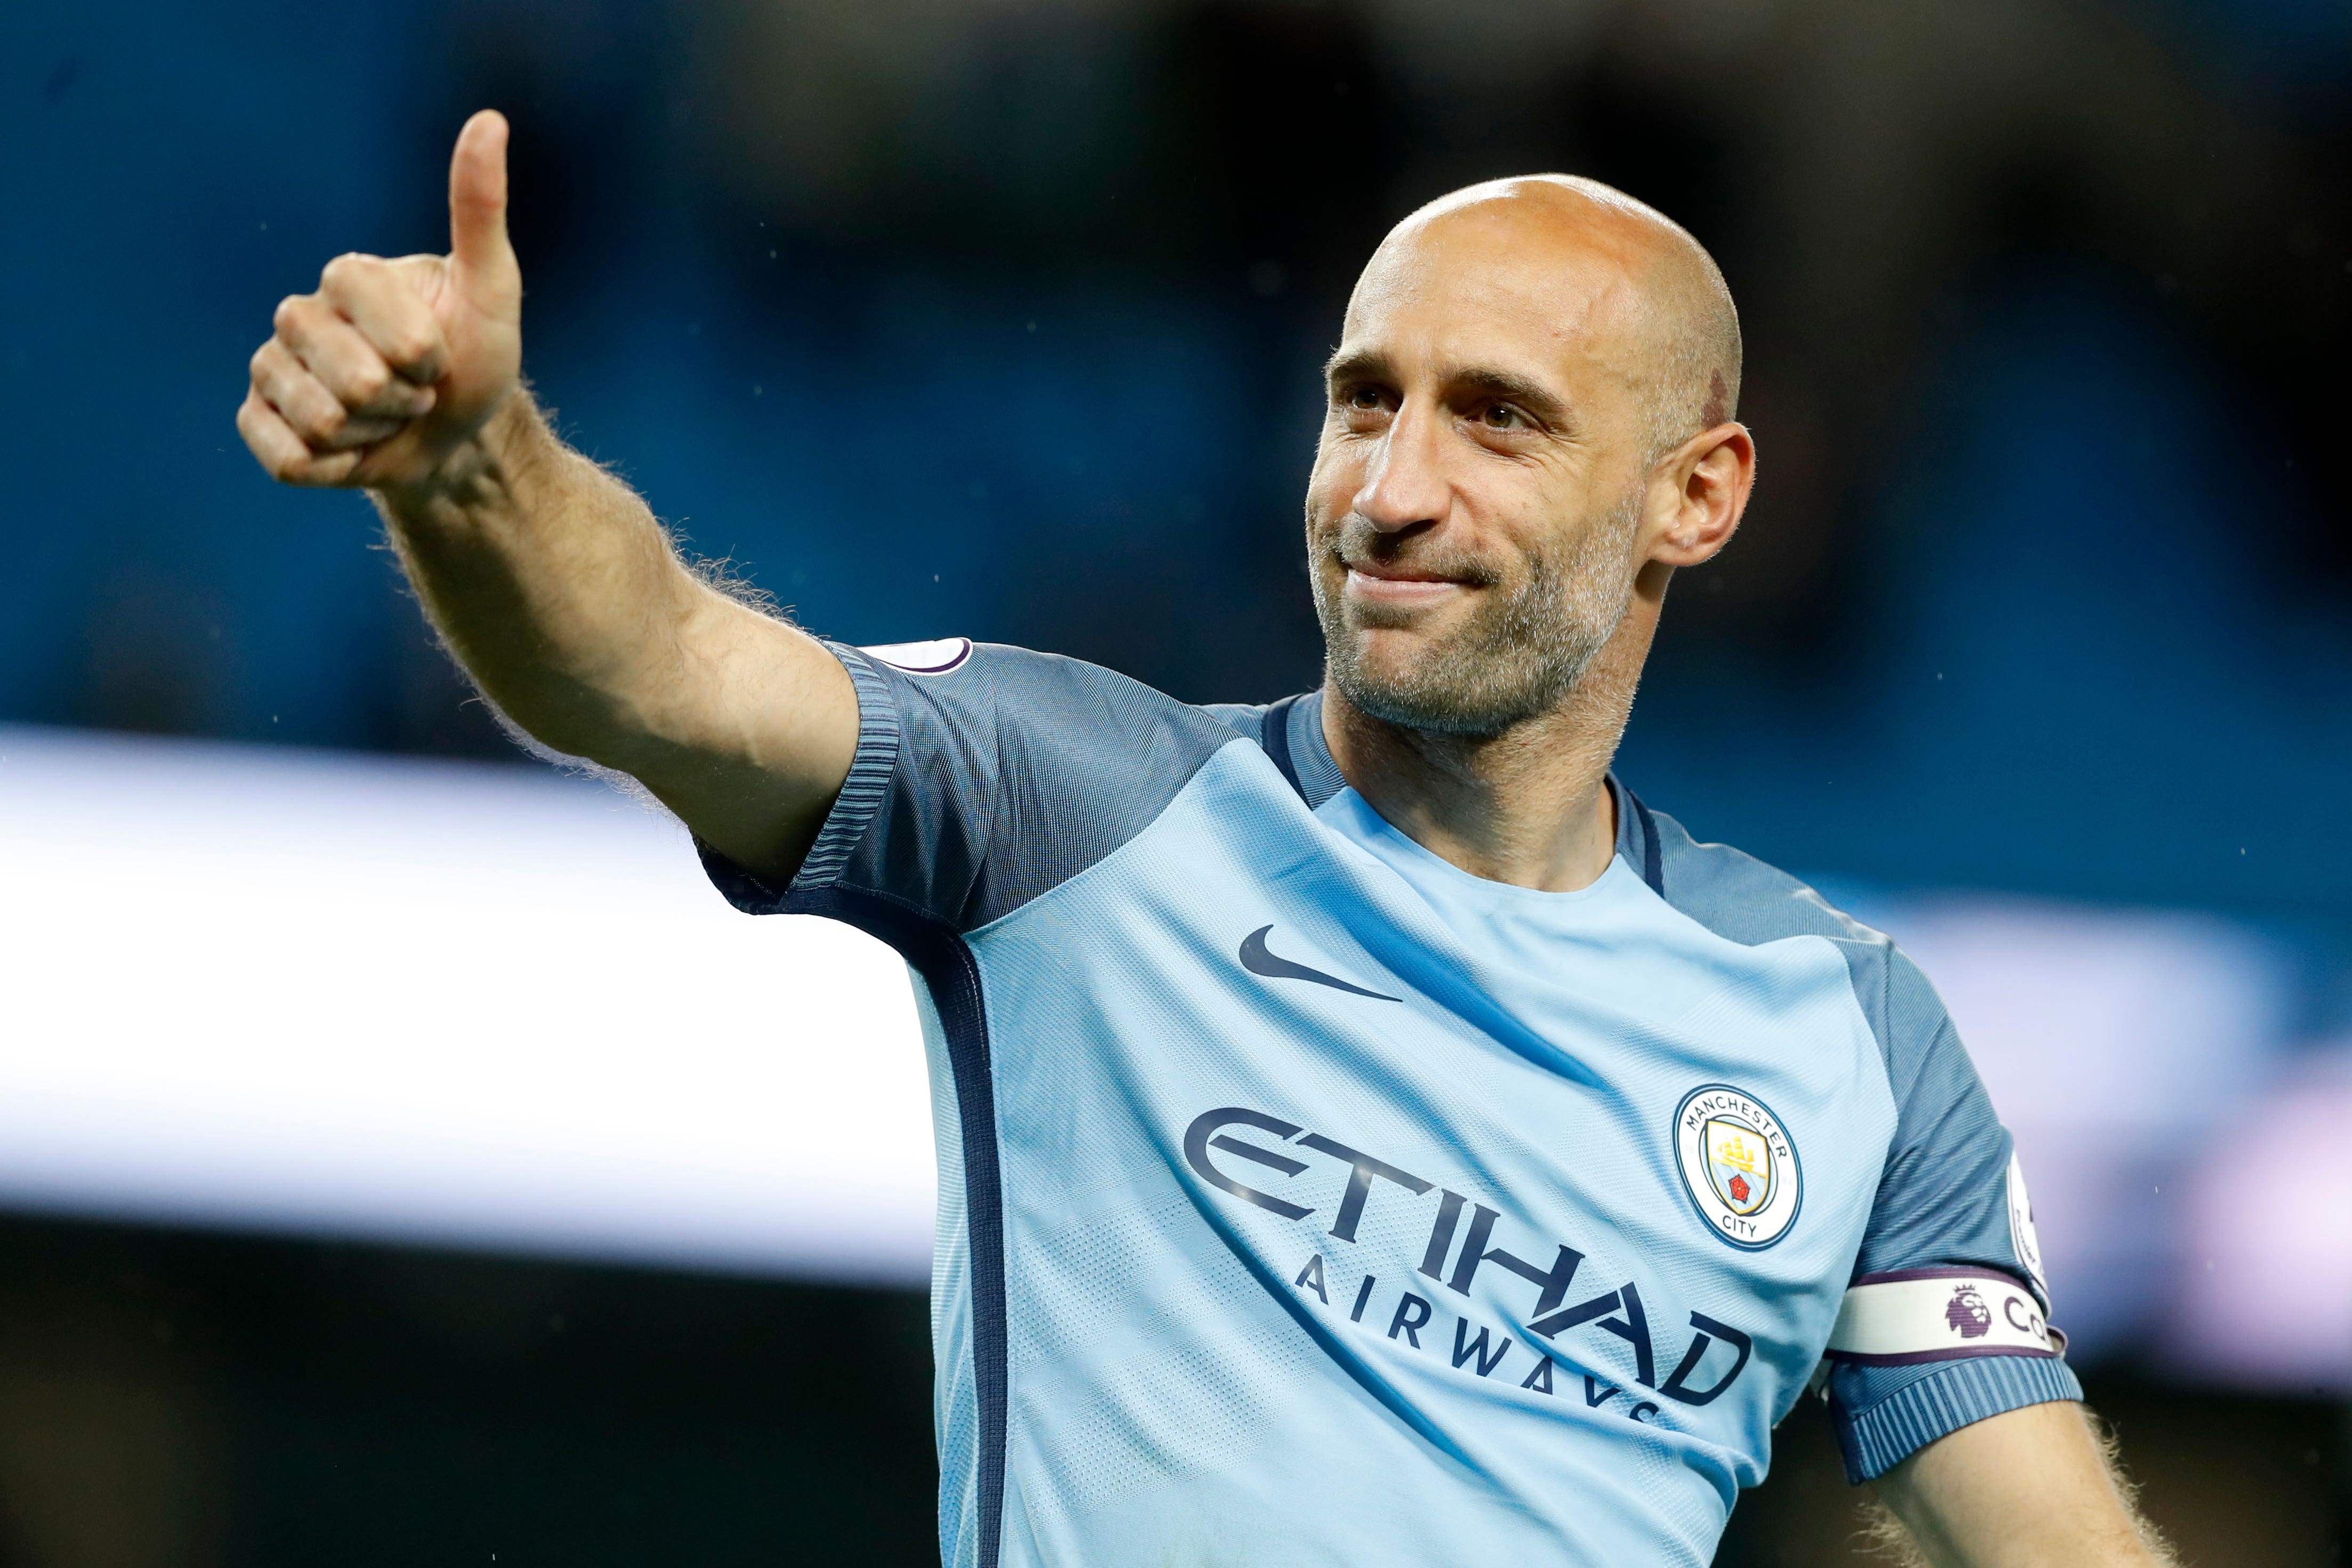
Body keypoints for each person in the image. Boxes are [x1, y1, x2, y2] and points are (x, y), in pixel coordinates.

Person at [237, 110, 2174, 1567]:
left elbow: (2054, 1545)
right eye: (1362, 403)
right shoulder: (1072, 803)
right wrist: (474, 462)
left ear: (1698, 493)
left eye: (1497, 419)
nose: (1392, 490)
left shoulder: (1845, 1035)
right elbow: (656, 668)